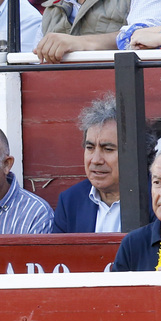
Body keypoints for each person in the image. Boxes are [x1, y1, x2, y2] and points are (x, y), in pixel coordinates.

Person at [53, 94, 129, 233]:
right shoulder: (70, 200)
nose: (95, 160)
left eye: (108, 149)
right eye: (90, 148)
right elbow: (58, 254)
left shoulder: (157, 199)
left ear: (134, 152)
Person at [34, 0, 130, 63]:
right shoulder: (51, 7)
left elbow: (140, 36)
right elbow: (35, 61)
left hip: (117, 86)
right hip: (61, 89)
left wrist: (80, 42)